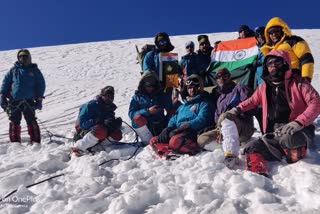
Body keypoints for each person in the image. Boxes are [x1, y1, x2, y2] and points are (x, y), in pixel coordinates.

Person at [221, 50, 320, 176]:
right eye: (269, 63)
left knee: (289, 139)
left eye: (276, 62)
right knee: (251, 147)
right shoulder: (264, 86)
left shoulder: (298, 82)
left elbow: (316, 102)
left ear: (285, 63)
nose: (273, 65)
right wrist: (237, 109)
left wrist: (299, 122)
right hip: (273, 132)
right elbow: (252, 101)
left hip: (298, 129)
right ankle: (258, 174)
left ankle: (292, 156)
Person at [197, 68, 255, 167]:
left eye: (225, 75)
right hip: (224, 130)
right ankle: (225, 147)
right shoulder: (220, 98)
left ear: (229, 76)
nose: (222, 78)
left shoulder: (240, 88)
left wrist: (236, 113)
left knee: (225, 117)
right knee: (201, 139)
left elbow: (251, 106)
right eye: (218, 77)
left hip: (243, 127)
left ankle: (230, 154)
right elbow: (217, 119)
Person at [149, 74, 214, 158]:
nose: (192, 89)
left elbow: (203, 119)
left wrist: (186, 125)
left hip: (192, 132)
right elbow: (174, 118)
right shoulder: (183, 106)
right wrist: (169, 128)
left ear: (200, 88)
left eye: (195, 87)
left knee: (175, 141)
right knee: (154, 140)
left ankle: (181, 149)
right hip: (178, 131)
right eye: (189, 87)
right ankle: (171, 151)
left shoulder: (205, 103)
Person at [0, 49, 45, 143]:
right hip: (14, 100)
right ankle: (15, 142)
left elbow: (41, 84)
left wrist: (39, 98)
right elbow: (5, 82)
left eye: (25, 56)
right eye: (20, 57)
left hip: (29, 100)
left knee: (31, 120)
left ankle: (35, 141)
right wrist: (2, 95)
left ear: (29, 57)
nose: (22, 58)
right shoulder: (13, 70)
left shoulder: (34, 70)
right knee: (14, 121)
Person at [71, 86, 123, 156]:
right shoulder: (90, 106)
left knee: (117, 134)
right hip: (83, 132)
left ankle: (99, 147)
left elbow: (108, 121)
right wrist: (98, 121)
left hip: (99, 132)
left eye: (112, 96)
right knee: (100, 130)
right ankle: (78, 147)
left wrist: (115, 123)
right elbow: (82, 124)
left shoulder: (109, 107)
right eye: (107, 96)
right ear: (102, 95)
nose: (110, 98)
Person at [260, 17, 314, 82]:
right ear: (268, 35)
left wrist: (306, 79)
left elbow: (306, 59)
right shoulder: (269, 49)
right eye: (271, 32)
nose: (274, 34)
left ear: (283, 30)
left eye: (277, 31)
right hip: (277, 82)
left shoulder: (293, 40)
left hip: (294, 77)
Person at [128, 71, 176, 144]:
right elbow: (131, 114)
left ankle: (167, 135)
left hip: (160, 125)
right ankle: (147, 141)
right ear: (143, 84)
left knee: (174, 111)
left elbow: (170, 109)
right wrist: (147, 111)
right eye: (148, 85)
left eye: (153, 85)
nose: (151, 87)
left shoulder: (161, 95)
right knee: (137, 118)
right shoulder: (137, 97)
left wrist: (171, 97)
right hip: (146, 127)